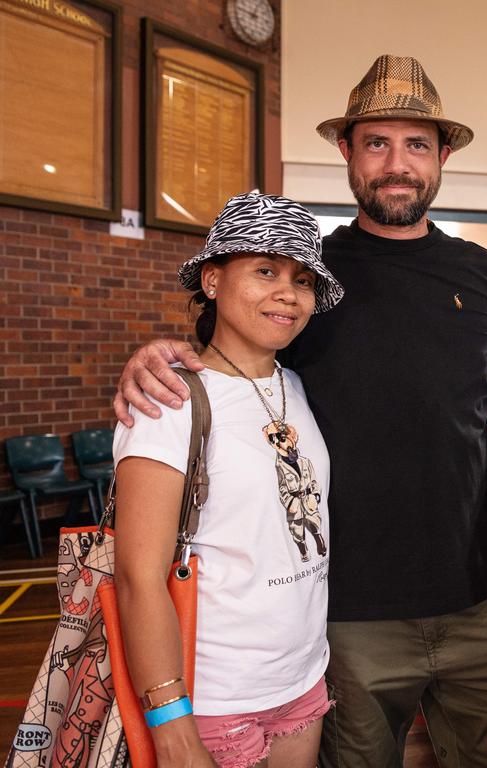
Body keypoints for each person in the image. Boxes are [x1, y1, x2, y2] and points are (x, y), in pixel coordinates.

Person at [114, 55, 487, 768]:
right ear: (347, 152)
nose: (397, 164)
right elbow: (230, 355)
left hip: (477, 596)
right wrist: (154, 355)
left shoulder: (478, 269)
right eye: (377, 143)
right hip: (344, 616)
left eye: (416, 145)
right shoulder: (314, 273)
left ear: (442, 157)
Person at [113, 192, 343, 768]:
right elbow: (137, 577)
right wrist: (170, 722)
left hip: (301, 680)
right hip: (212, 695)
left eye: (303, 280)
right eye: (265, 271)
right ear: (212, 282)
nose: (288, 293)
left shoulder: (298, 386)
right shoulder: (167, 399)